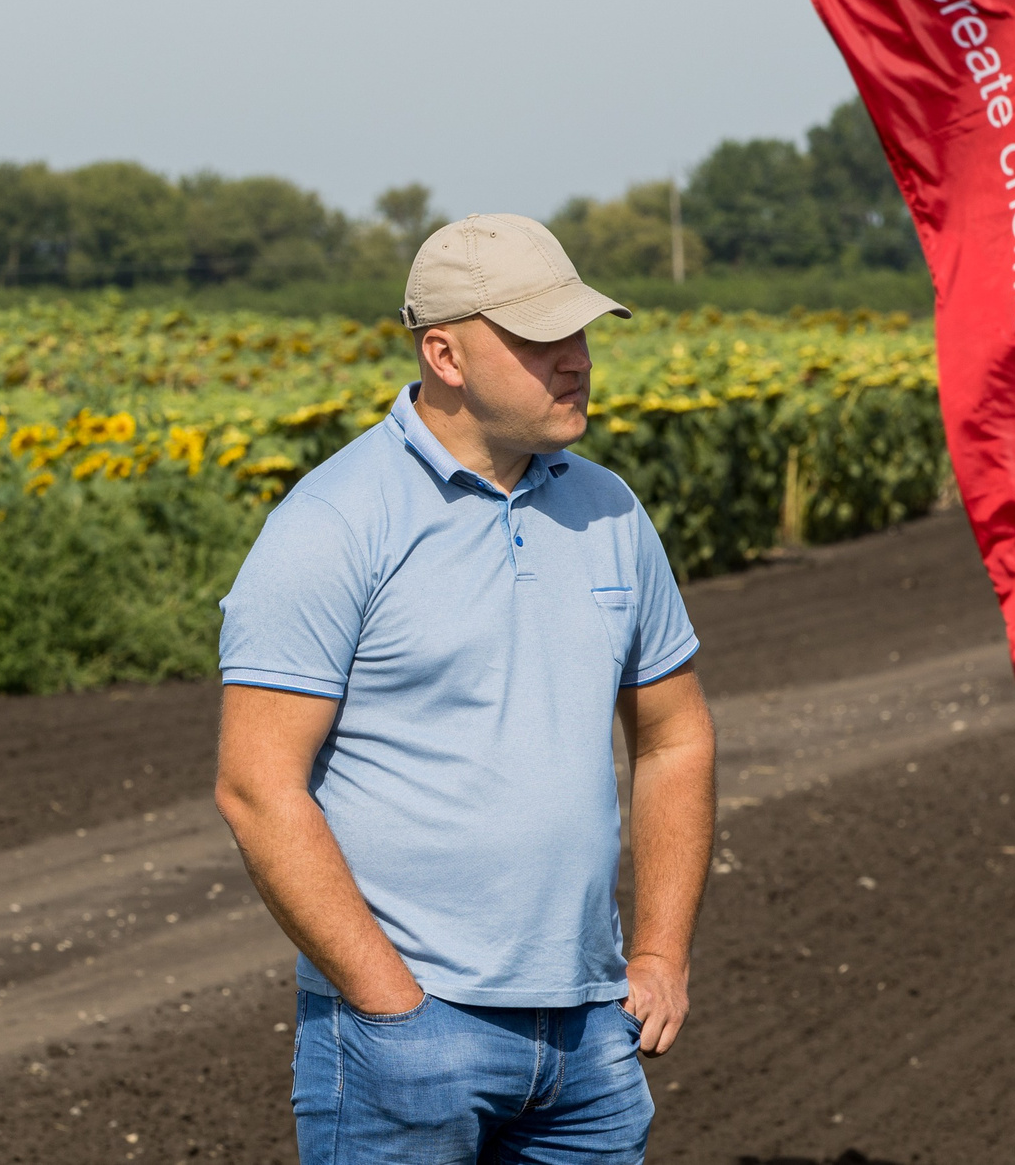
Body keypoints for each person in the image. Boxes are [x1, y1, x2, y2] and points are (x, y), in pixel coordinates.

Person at [214, 213, 716, 1165]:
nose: (575, 360)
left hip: (588, 1043)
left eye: (579, 334)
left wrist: (658, 954)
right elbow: (255, 784)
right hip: (409, 1034)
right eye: (539, 339)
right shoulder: (334, 522)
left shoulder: (610, 509)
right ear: (443, 352)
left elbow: (675, 736)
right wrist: (393, 1007)